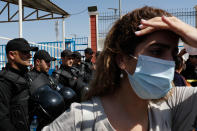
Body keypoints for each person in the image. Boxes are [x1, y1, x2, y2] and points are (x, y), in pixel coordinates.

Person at [42, 6, 197, 131]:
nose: (170, 62)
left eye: (173, 53)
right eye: (157, 51)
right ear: (122, 59)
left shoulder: (172, 106)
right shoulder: (81, 120)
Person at [0, 38, 38, 131]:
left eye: (30, 52)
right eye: (25, 52)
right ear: (12, 55)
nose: (30, 56)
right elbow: (2, 119)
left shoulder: (26, 76)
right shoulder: (4, 82)